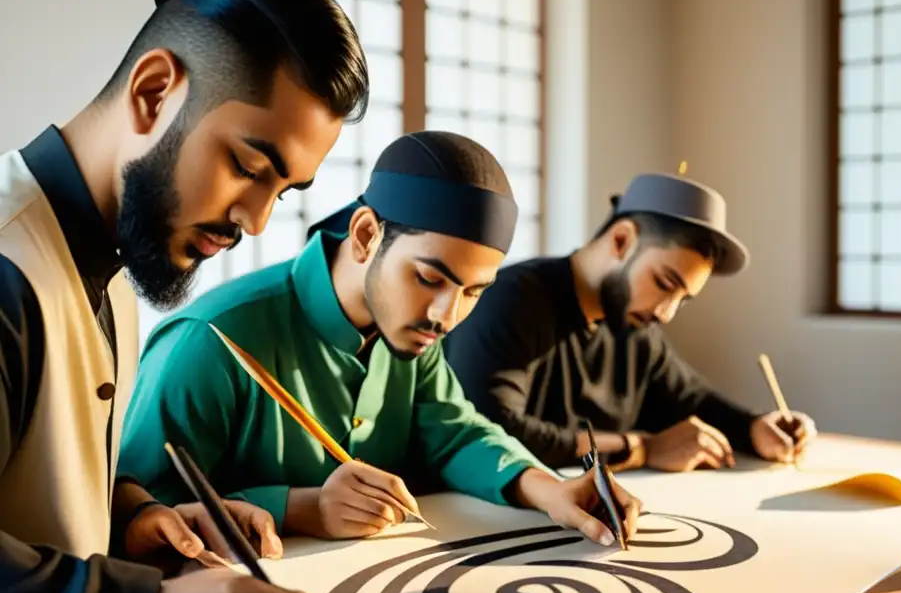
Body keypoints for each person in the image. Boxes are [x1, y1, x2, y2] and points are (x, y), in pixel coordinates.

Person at [0, 0, 369, 593]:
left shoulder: (118, 259)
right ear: (153, 93)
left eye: (283, 191)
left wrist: (137, 515)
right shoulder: (7, 262)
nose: (257, 221)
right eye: (249, 167)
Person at [116, 130, 641, 553]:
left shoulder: (413, 330)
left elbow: (456, 432)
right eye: (429, 279)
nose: (447, 315)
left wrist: (551, 489)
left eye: (474, 292)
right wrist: (301, 507)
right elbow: (138, 507)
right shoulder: (209, 339)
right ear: (366, 235)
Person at [442, 172, 819, 473]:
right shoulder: (511, 300)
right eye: (664, 284)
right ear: (622, 241)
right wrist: (641, 448)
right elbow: (490, 428)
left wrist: (754, 427)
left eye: (682, 300)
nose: (665, 312)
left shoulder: (633, 328)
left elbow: (689, 398)